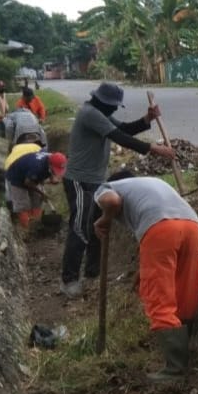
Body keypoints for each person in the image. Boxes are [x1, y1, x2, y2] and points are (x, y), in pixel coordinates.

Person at [60, 82, 175, 298]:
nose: (114, 110)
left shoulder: (100, 113)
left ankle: (93, 275)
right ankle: (69, 280)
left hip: (95, 181)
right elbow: (120, 138)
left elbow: (123, 128)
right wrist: (154, 149)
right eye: (113, 106)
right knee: (80, 228)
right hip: (79, 181)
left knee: (97, 228)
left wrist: (147, 120)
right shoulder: (89, 113)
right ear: (104, 103)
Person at [93, 170, 198, 383]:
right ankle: (191, 346)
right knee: (186, 289)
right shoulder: (149, 183)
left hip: (160, 228)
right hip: (190, 224)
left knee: (158, 295)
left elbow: (112, 202)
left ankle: (175, 369)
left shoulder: (107, 188)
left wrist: (104, 219)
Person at [5, 149, 67, 229]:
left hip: (32, 176)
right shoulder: (37, 166)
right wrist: (42, 193)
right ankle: (27, 230)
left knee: (37, 200)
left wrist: (52, 178)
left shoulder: (53, 158)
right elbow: (28, 183)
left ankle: (36, 224)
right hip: (16, 177)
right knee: (23, 204)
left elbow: (49, 171)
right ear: (50, 165)